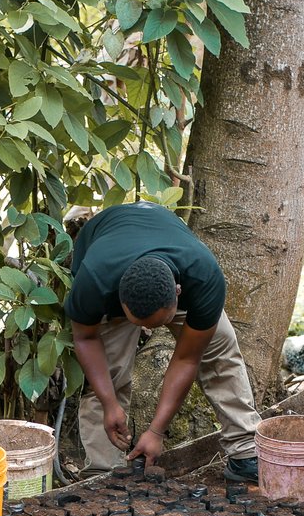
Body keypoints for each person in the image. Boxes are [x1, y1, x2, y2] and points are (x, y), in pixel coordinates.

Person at [65, 201, 261, 480]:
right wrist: (110, 404)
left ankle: (244, 449)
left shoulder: (204, 277)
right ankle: (103, 472)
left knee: (219, 351)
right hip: (110, 249)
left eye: (155, 324)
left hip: (174, 259)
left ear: (179, 294)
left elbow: (187, 358)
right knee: (108, 372)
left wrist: (156, 431)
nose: (147, 331)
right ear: (119, 299)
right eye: (139, 324)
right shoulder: (95, 280)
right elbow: (85, 338)